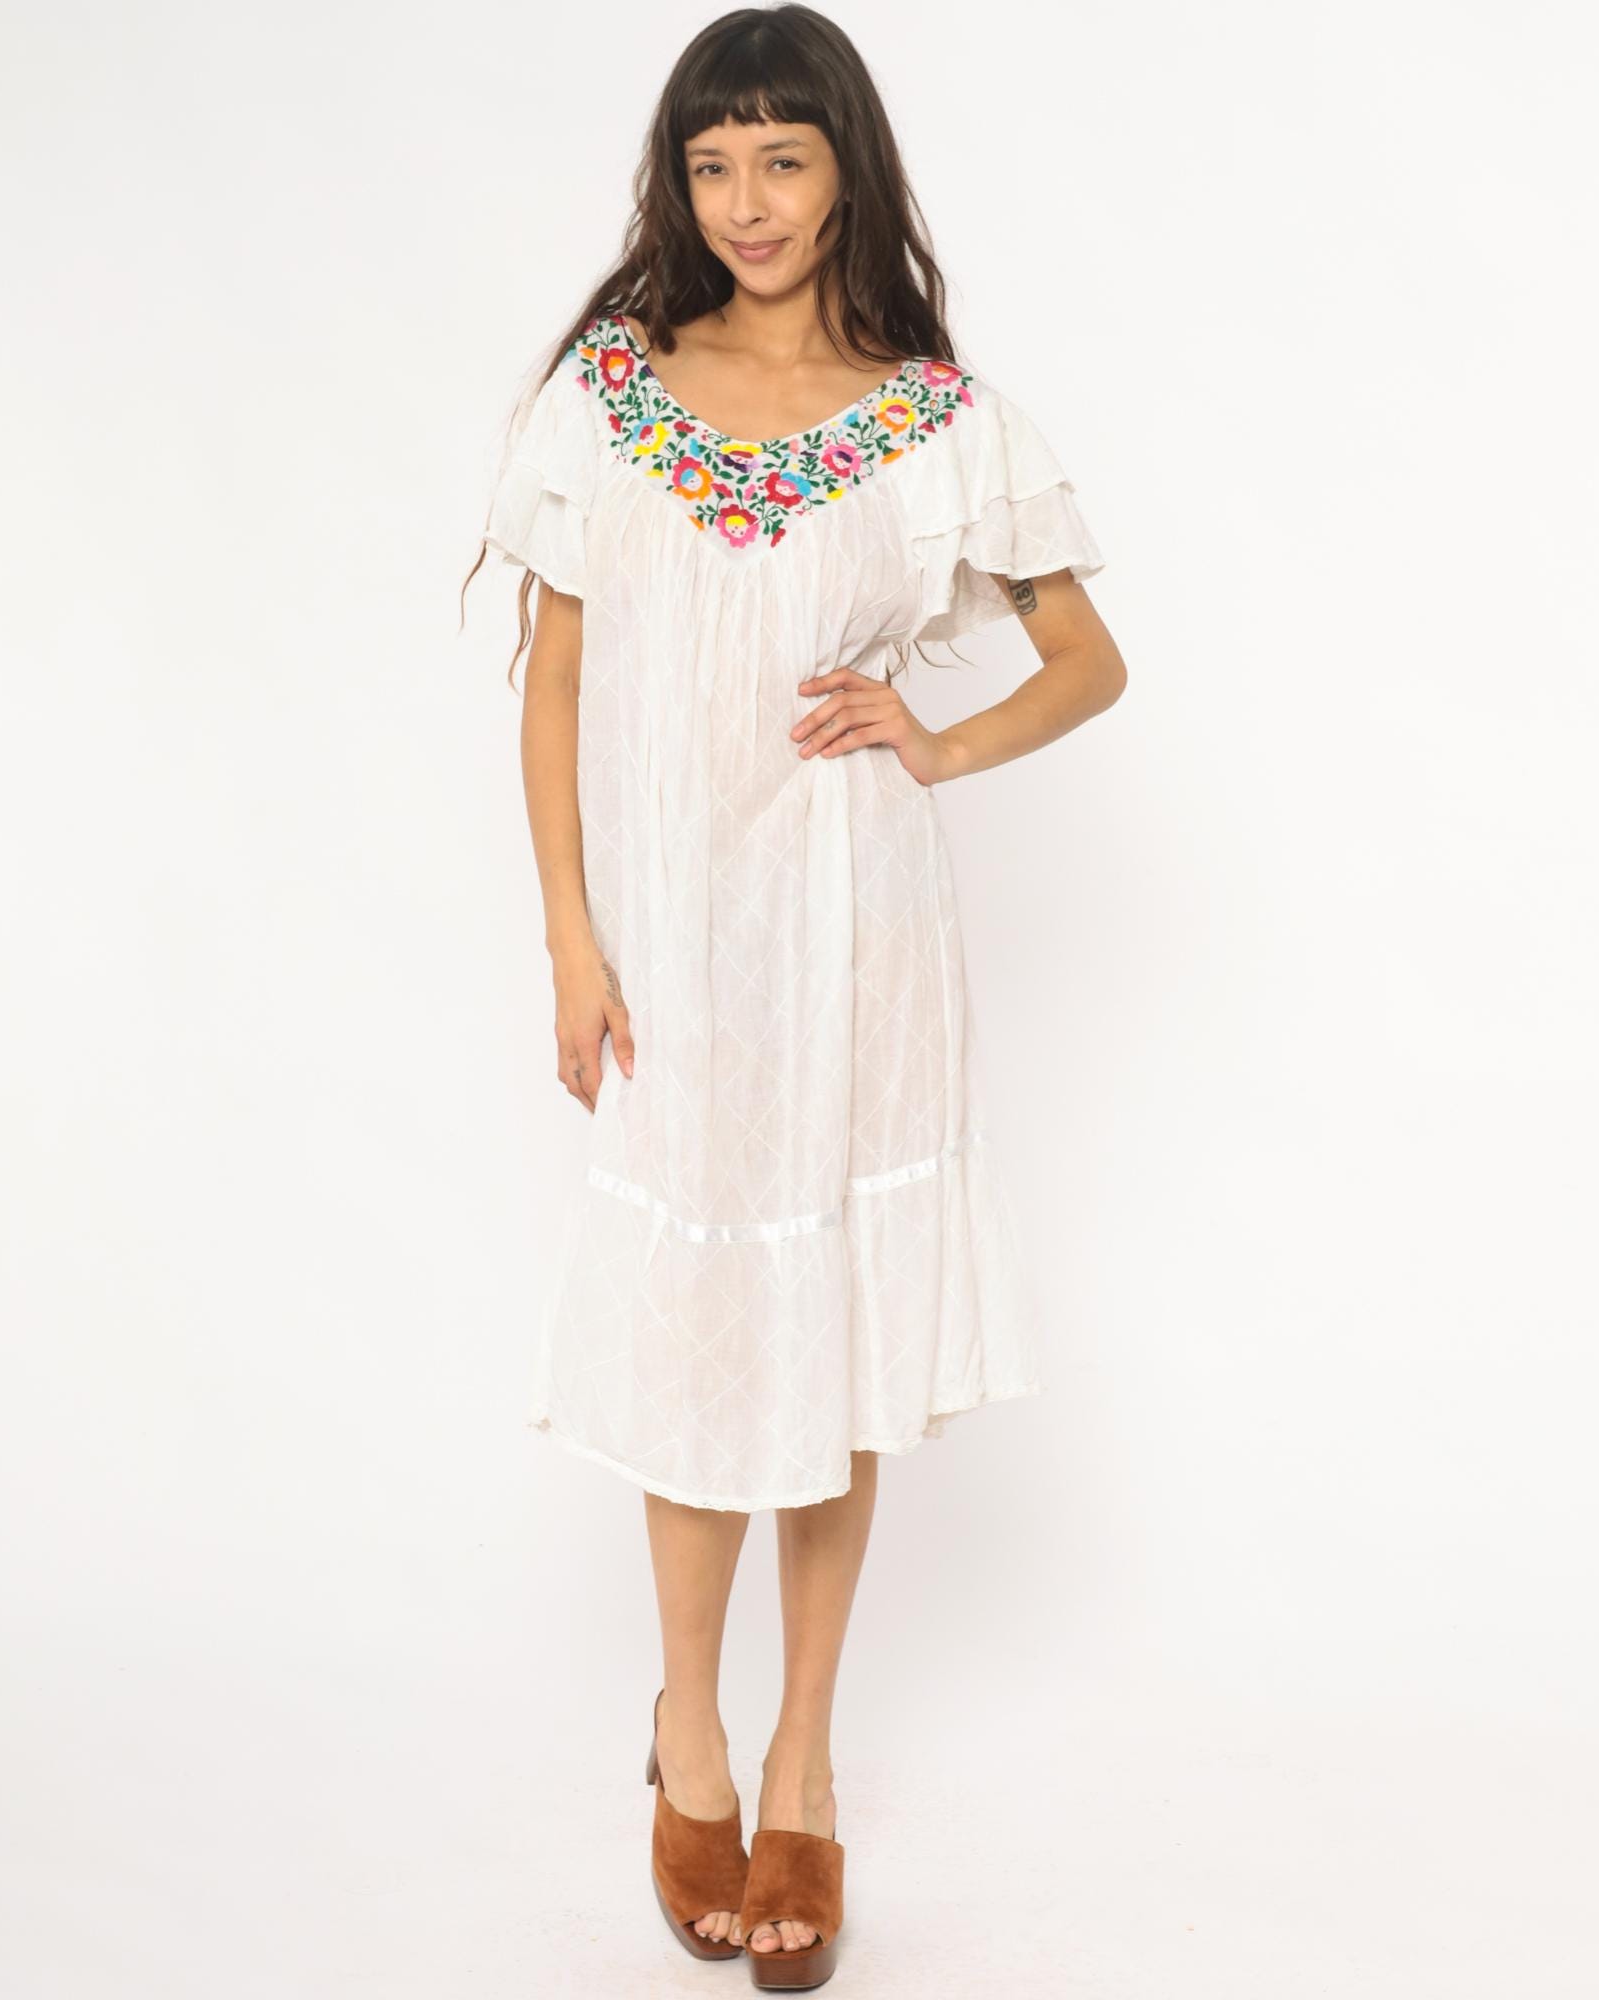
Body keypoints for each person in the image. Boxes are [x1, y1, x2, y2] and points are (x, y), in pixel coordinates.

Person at [463, 6, 1127, 1986]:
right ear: (677, 184)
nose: (745, 201)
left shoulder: (934, 421)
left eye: (782, 157)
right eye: (712, 162)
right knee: (695, 1334)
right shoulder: (612, 392)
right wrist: (572, 940)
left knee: (828, 1343)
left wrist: (936, 741)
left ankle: (802, 1763)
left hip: (857, 940)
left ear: (849, 171)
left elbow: (1087, 659)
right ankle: (686, 1727)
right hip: (675, 947)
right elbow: (557, 679)